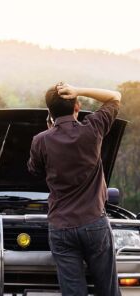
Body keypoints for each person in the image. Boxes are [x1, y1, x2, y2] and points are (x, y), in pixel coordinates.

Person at [27, 83, 122, 296]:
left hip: (61, 228)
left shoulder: (40, 140)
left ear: (49, 113)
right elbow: (115, 97)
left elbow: (34, 170)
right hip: (94, 224)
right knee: (108, 291)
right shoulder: (93, 128)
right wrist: (79, 90)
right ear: (77, 105)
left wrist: (51, 133)